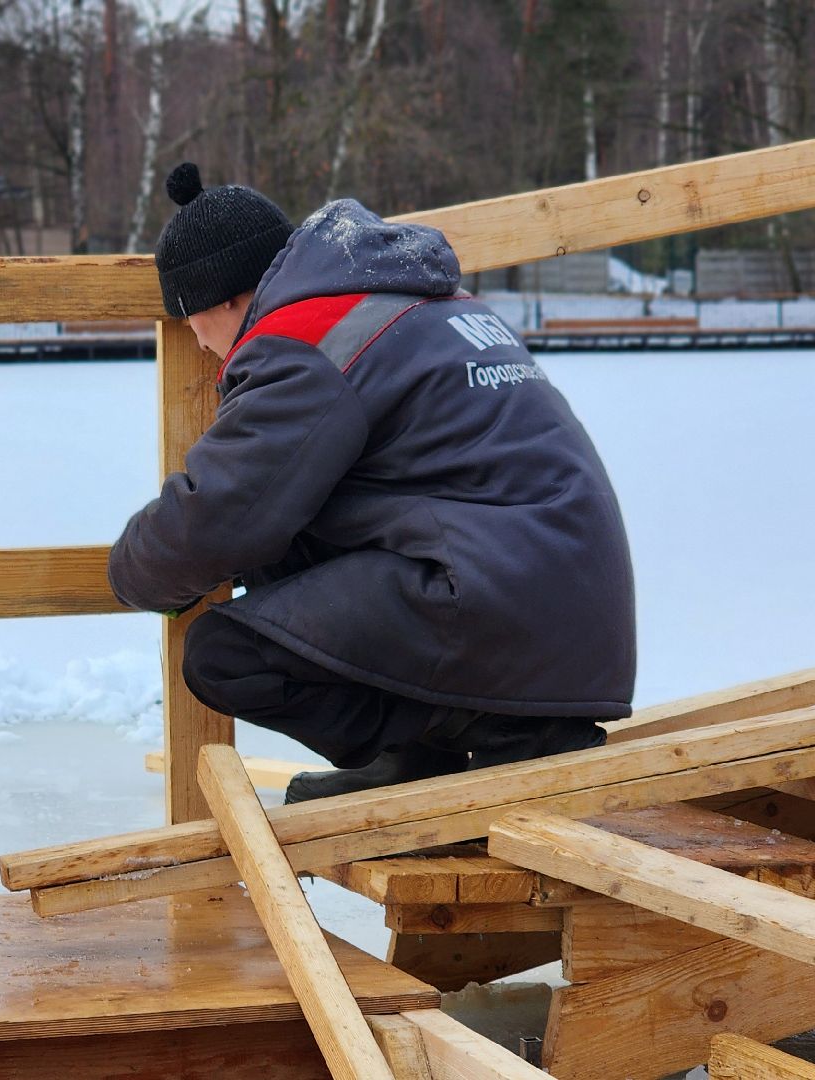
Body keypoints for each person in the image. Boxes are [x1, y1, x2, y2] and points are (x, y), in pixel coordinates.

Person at [109, 162, 636, 803]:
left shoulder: (307, 340)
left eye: (188, 315)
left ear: (225, 298)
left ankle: (500, 734)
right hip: (557, 601)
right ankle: (432, 748)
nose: (192, 336)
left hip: (499, 598)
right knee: (290, 540)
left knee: (225, 655)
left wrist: (133, 575)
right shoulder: (414, 300)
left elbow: (222, 514)